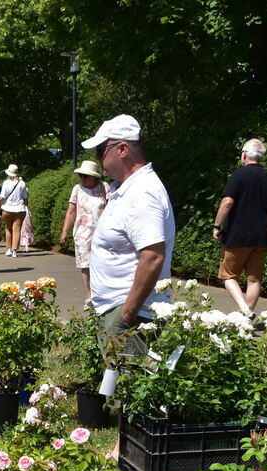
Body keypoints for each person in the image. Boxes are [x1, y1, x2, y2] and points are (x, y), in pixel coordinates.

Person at [83, 114, 175, 356]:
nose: (96, 158)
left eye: (101, 150)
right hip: (118, 309)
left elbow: (153, 256)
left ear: (122, 149)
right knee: (116, 387)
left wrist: (126, 313)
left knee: (126, 387)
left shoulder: (143, 193)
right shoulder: (126, 188)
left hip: (132, 315)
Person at [213, 139, 267, 317]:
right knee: (254, 279)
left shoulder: (238, 175)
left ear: (245, 154)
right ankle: (246, 321)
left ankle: (244, 309)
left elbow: (227, 202)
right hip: (260, 237)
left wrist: (217, 225)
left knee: (228, 276)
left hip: (237, 235)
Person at [58, 160, 109, 302]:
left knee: (102, 263)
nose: (83, 179)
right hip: (82, 232)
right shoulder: (77, 189)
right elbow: (71, 212)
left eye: (86, 176)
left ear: (94, 176)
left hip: (102, 232)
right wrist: (64, 231)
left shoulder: (105, 187)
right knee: (85, 265)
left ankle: (101, 293)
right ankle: (88, 297)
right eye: (81, 176)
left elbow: (111, 208)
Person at [0, 164, 29, 257]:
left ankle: (8, 249)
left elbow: (2, 196)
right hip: (20, 209)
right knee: (17, 229)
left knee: (8, 228)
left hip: (7, 209)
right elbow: (25, 197)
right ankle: (15, 250)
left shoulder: (6, 183)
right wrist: (26, 205)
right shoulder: (22, 183)